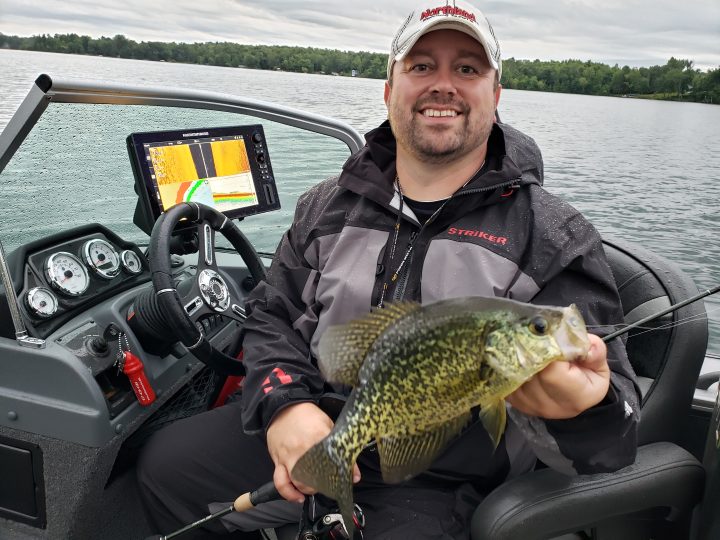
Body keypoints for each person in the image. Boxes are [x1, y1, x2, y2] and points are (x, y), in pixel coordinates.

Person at [137, 1, 640, 538]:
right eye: (421, 66)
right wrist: (286, 406)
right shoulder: (325, 206)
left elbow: (615, 439)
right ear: (389, 88)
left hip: (445, 482)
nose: (442, 85)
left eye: (467, 69)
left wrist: (586, 409)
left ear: (495, 96)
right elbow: (270, 317)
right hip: (327, 422)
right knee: (165, 467)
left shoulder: (554, 235)